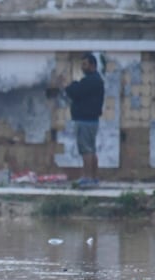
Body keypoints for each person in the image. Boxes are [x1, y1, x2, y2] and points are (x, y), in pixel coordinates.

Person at [60, 53, 105, 187]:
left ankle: (88, 177)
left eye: (85, 64)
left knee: (86, 150)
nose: (82, 67)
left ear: (92, 65)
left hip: (85, 120)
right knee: (91, 150)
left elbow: (75, 91)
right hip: (92, 120)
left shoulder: (91, 81)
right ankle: (94, 177)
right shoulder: (96, 80)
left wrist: (66, 85)